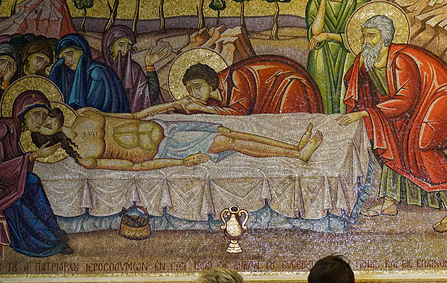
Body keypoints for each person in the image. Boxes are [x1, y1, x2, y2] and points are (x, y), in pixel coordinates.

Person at [340, 14, 447, 233]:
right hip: (401, 110)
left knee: (422, 145)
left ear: (385, 38)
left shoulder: (401, 59)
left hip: (437, 100)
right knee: (391, 142)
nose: (365, 41)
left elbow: (406, 99)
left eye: (371, 36)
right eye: (364, 36)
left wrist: (366, 113)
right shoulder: (369, 59)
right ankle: (390, 202)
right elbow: (360, 86)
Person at [22, 96, 323, 169]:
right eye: (38, 127)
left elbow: (136, 115)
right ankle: (297, 154)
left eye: (41, 115)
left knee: (229, 129)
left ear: (50, 109)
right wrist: (180, 163)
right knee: (227, 141)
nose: (44, 122)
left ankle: (294, 147)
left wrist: (173, 104)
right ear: (42, 136)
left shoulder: (87, 115)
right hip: (167, 150)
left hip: (168, 128)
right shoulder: (85, 158)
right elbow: (133, 166)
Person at [0, 91, 71, 257]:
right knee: (16, 203)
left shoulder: (16, 131)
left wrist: (31, 157)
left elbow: (17, 167)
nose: (40, 121)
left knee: (32, 180)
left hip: (6, 183)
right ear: (21, 112)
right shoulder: (3, 128)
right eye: (36, 114)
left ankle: (53, 230)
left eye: (44, 116)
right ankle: (48, 243)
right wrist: (33, 156)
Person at [143, 57, 321, 117]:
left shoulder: (237, 78)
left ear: (211, 83)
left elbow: (239, 113)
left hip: (287, 86)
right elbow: (188, 110)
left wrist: (205, 109)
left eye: (197, 86)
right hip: (268, 100)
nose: (193, 93)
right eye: (189, 89)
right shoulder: (213, 99)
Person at [306, 0, 370, 114]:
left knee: (346, 96)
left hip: (348, 53)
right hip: (323, 56)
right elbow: (315, 32)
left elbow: (359, 37)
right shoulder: (316, 0)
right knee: (321, 101)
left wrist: (328, 36)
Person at [48, 33, 129, 113]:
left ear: (82, 52)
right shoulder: (66, 75)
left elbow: (93, 109)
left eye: (70, 53)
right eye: (63, 57)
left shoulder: (96, 73)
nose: (68, 60)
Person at [101, 24, 168, 112]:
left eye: (129, 46)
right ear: (109, 46)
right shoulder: (97, 67)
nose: (125, 50)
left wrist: (149, 65)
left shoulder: (134, 69)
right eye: (121, 45)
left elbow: (149, 95)